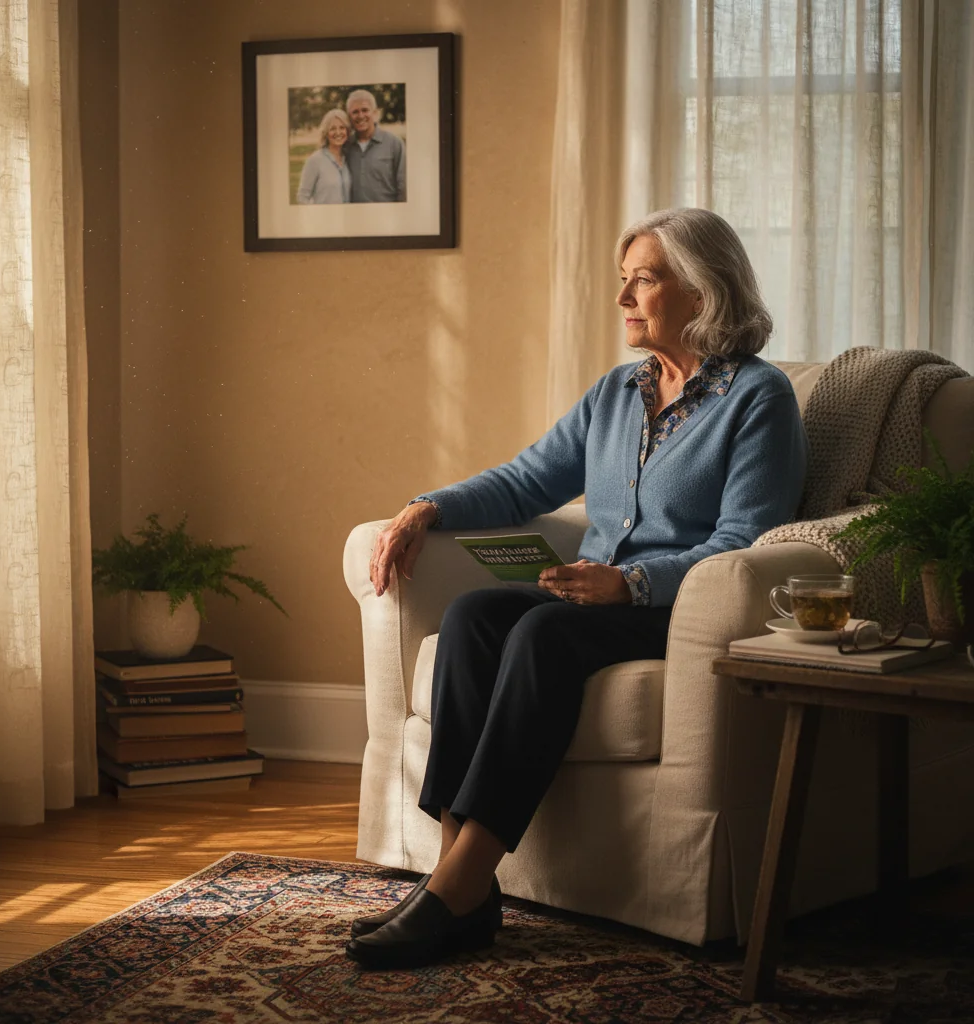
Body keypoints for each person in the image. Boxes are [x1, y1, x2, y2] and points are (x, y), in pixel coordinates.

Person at [346, 207, 808, 970]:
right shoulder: (618, 392)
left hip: (676, 609)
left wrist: (629, 582)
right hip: (590, 594)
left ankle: (456, 889)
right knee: (471, 618)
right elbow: (529, 479)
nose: (625, 298)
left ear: (701, 289)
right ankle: (460, 880)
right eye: (624, 281)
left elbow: (741, 542)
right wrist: (430, 506)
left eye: (644, 280)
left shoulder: (758, 400)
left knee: (541, 632)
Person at [343, 89, 406, 203]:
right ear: (349, 116)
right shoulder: (345, 146)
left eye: (365, 110)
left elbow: (403, 187)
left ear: (375, 113)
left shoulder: (394, 143)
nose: (360, 115)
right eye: (355, 112)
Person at [296, 108, 352, 205]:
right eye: (333, 129)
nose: (338, 132)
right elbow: (302, 197)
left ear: (347, 131)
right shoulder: (315, 160)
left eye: (342, 128)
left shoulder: (348, 158)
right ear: (326, 133)